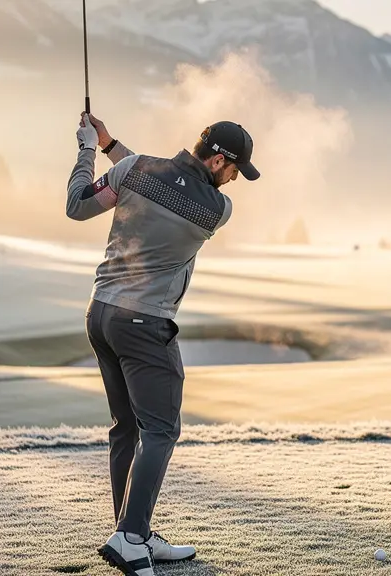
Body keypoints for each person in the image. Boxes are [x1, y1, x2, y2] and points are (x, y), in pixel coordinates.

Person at [67, 112, 259, 576]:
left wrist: (93, 148)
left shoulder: (135, 172)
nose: (235, 180)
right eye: (235, 170)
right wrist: (112, 146)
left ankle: (132, 529)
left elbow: (80, 204)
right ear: (217, 162)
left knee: (126, 428)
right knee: (161, 430)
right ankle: (131, 538)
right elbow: (169, 189)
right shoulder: (215, 209)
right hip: (145, 324)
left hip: (100, 314)